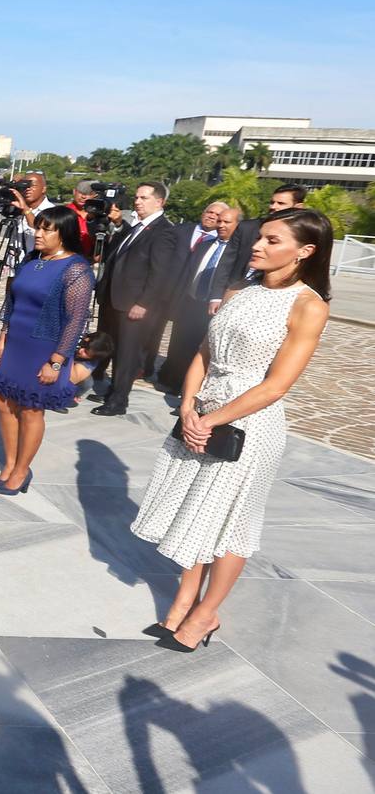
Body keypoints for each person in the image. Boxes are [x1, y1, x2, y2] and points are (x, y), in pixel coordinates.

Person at [132, 209, 332, 653]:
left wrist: (210, 419)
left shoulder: (308, 305)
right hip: (202, 409)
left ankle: (206, 613)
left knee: (230, 520)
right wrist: (187, 405)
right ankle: (185, 597)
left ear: (305, 250)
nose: (257, 245)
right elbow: (204, 350)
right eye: (260, 237)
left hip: (249, 425)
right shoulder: (242, 290)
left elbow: (277, 385)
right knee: (195, 508)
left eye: (272, 240)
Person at [0, 207, 95, 493]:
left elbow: (76, 320)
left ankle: (22, 472)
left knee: (31, 409)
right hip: (17, 341)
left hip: (46, 347)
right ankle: (9, 464)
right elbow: (13, 301)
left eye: (47, 230)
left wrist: (56, 362)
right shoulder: (32, 260)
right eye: (38, 228)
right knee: (2, 400)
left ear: (64, 234)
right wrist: (4, 335)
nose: (39, 233)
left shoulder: (76, 269)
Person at [90, 182, 178, 416]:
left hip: (134, 304)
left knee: (127, 354)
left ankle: (118, 401)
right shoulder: (138, 227)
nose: (137, 201)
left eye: (144, 198)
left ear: (159, 202)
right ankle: (111, 390)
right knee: (114, 348)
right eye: (137, 197)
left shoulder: (163, 232)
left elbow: (160, 273)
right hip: (116, 300)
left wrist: (144, 303)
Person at [156, 207, 240, 390]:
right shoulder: (205, 244)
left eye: (227, 222)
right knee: (180, 344)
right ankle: (174, 380)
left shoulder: (239, 253)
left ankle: (195, 387)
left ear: (238, 225)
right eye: (219, 221)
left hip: (215, 308)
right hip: (190, 302)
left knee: (204, 350)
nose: (221, 225)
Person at [208, 184, 307, 312]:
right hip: (235, 294)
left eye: (281, 203)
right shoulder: (247, 228)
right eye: (272, 202)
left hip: (276, 301)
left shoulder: (304, 235)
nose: (273, 206)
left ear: (298, 207)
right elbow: (226, 262)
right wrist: (216, 296)